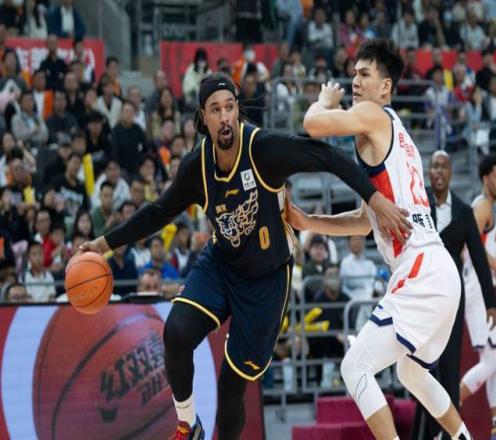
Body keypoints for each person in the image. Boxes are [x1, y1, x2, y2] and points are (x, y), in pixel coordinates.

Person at [79, 72, 410, 439]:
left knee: (230, 389)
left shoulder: (264, 149)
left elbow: (328, 156)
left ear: (237, 110)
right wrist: (104, 245)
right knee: (175, 333)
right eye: (215, 110)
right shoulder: (196, 167)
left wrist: (375, 200)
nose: (224, 117)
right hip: (222, 264)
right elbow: (158, 212)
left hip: (267, 280)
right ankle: (188, 426)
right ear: (203, 118)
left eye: (230, 107)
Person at [286, 39, 471, 440]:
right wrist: (309, 220)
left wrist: (324, 100)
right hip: (437, 269)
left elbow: (313, 125)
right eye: (353, 73)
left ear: (385, 87)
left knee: (354, 367)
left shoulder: (372, 114)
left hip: (420, 269)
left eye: (364, 74)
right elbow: (365, 221)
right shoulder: (396, 135)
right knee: (411, 372)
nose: (354, 80)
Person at [412, 150, 496, 439]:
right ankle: (429, 432)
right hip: (421, 297)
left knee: (450, 367)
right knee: (420, 368)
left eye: (444, 167)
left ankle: (447, 434)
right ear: (428, 171)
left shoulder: (462, 211)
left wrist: (491, 303)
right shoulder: (418, 204)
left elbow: (478, 257)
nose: (438, 171)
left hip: (452, 299)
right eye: (434, 166)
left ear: (450, 173)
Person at [460, 153, 496, 438]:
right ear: (485, 178)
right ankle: (447, 408)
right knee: (490, 361)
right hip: (475, 288)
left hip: (480, 288)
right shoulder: (483, 205)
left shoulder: (488, 208)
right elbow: (469, 241)